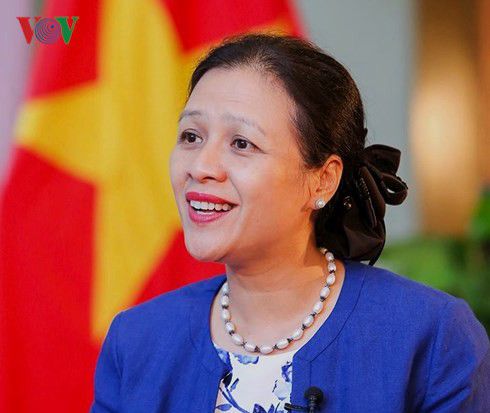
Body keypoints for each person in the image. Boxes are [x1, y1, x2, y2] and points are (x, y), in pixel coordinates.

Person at [89, 33, 490, 413]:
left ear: (323, 180)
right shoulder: (137, 339)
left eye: (241, 143)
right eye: (191, 137)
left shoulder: (429, 334)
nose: (201, 166)